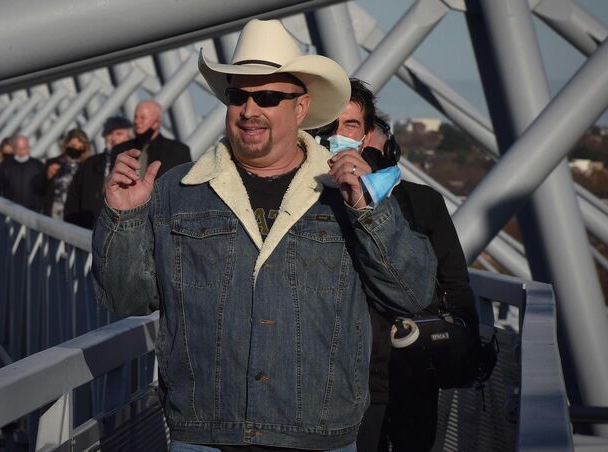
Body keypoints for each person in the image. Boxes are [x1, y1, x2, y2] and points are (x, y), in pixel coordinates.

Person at [92, 19, 436, 451]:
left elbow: (412, 292)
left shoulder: (347, 193)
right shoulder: (176, 192)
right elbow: (126, 299)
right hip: (205, 436)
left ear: (301, 107)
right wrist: (122, 220)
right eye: (238, 95)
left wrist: (370, 211)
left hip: (317, 438)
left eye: (269, 96)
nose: (250, 109)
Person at [322, 79, 479, 452]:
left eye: (351, 126)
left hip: (412, 372)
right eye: (329, 126)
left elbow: (452, 283)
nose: (339, 136)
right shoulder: (313, 206)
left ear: (371, 139)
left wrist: (463, 344)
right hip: (339, 384)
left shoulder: (421, 201)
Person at [64, 116, 133, 229]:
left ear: (130, 137)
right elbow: (73, 199)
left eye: (119, 134)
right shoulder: (89, 164)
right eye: (109, 134)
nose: (113, 138)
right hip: (87, 231)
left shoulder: (138, 164)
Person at [109, 100, 191, 178]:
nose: (137, 121)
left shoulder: (179, 151)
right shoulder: (120, 150)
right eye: (136, 117)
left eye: (143, 117)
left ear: (157, 122)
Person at [39, 128, 92, 219]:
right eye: (73, 145)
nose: (75, 149)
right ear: (66, 144)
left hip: (74, 217)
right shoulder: (53, 163)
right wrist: (47, 176)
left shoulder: (87, 168)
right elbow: (39, 189)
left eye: (80, 148)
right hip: (52, 215)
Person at [0, 134, 45, 211]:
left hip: (32, 211)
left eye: (24, 148)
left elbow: (43, 189)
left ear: (29, 148)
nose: (21, 152)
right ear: (14, 149)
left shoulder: (38, 165)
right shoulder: (5, 166)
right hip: (10, 210)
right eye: (19, 149)